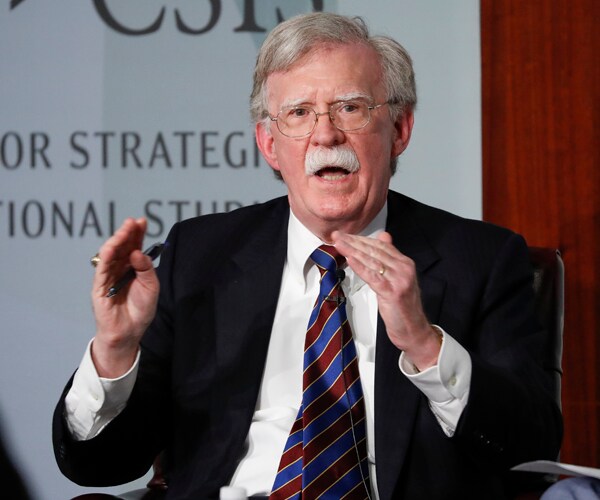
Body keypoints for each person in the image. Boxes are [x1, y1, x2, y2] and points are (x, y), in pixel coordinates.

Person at [53, 12, 562, 500]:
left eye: (351, 107)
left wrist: (425, 345)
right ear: (269, 144)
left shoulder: (482, 259)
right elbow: (100, 465)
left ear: (400, 130)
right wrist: (116, 351)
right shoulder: (201, 258)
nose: (325, 134)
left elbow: (530, 446)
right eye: (299, 113)